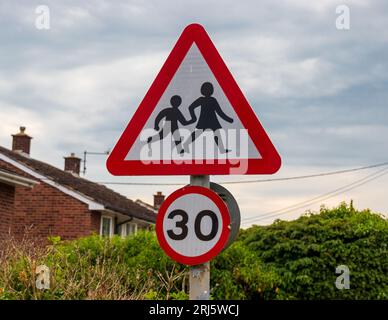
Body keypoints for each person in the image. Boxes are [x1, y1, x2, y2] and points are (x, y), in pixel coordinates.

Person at [183, 82, 234, 153]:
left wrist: (229, 119)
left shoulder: (211, 100)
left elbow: (219, 112)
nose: (209, 90)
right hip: (206, 120)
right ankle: (186, 144)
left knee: (216, 133)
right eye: (208, 89)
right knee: (198, 133)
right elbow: (191, 107)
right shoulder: (207, 99)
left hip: (211, 120)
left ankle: (221, 149)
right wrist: (229, 119)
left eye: (210, 89)